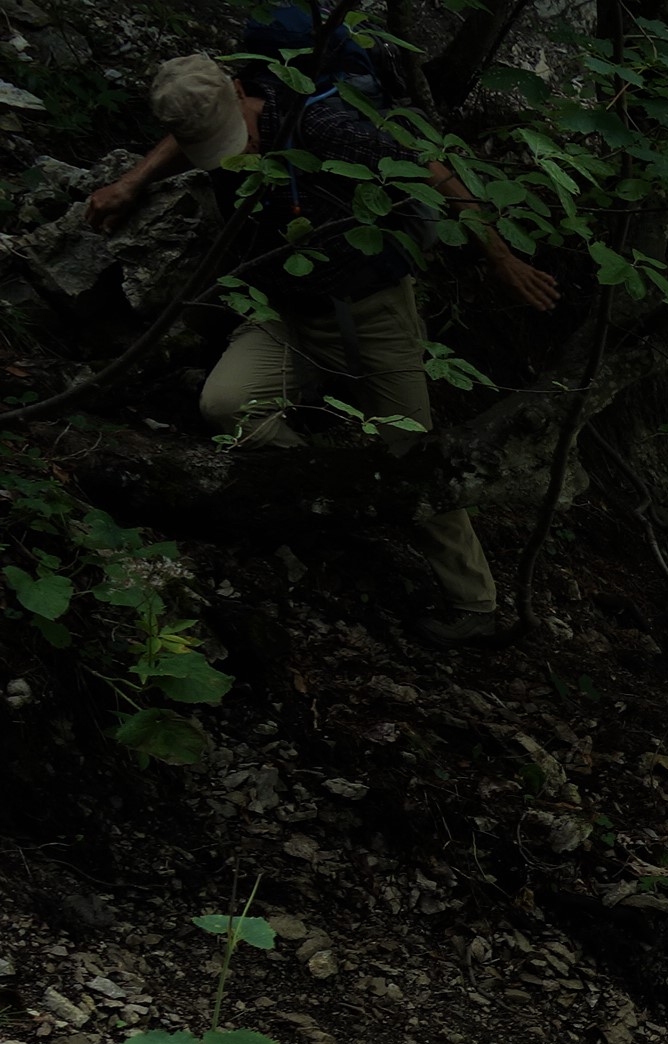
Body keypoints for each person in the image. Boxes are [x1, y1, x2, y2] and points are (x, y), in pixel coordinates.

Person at [88, 44, 560, 644]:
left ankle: (474, 604)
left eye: (233, 136)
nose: (233, 154)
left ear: (240, 91)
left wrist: (500, 257)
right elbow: (185, 135)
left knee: (408, 453)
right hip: (283, 312)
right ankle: (332, 496)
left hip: (372, 311)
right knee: (227, 407)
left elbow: (429, 167)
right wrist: (131, 182)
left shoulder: (321, 124)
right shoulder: (204, 118)